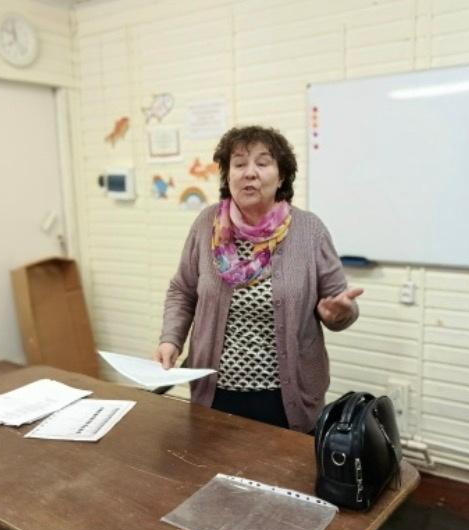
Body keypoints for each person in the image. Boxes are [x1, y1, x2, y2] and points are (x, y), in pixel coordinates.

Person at [154, 126, 362, 433]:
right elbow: (182, 290)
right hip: (214, 392)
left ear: (281, 176)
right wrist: (171, 339)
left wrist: (339, 313)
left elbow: (340, 306)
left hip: (287, 397)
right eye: (239, 164)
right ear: (228, 176)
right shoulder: (206, 225)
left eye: (262, 163)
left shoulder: (310, 230)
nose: (249, 173)